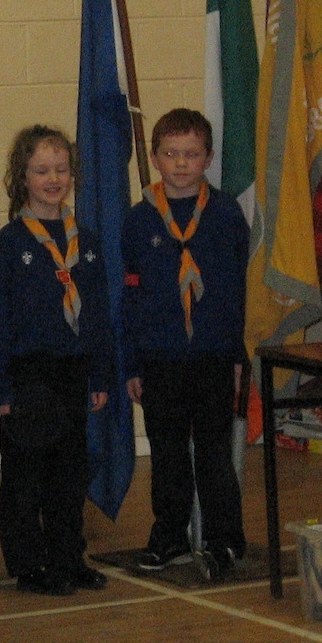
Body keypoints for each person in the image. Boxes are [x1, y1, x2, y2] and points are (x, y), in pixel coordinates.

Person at [0, 125, 114, 596]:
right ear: (22, 177)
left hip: (73, 371)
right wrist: (0, 385)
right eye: (41, 170)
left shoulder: (86, 242)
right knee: (26, 475)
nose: (53, 179)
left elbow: (97, 315)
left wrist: (100, 374)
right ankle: (29, 564)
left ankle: (67, 557)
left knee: (69, 473)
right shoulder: (9, 243)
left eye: (61, 169)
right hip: (28, 374)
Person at [122, 109, 249, 580]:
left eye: (191, 155)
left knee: (215, 452)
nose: (180, 164)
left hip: (213, 356)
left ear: (208, 158)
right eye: (171, 154)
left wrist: (236, 355)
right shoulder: (139, 220)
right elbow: (129, 298)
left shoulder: (226, 214)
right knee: (167, 453)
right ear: (155, 158)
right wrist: (132, 363)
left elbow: (235, 292)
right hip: (160, 359)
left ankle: (223, 540)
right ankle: (170, 535)